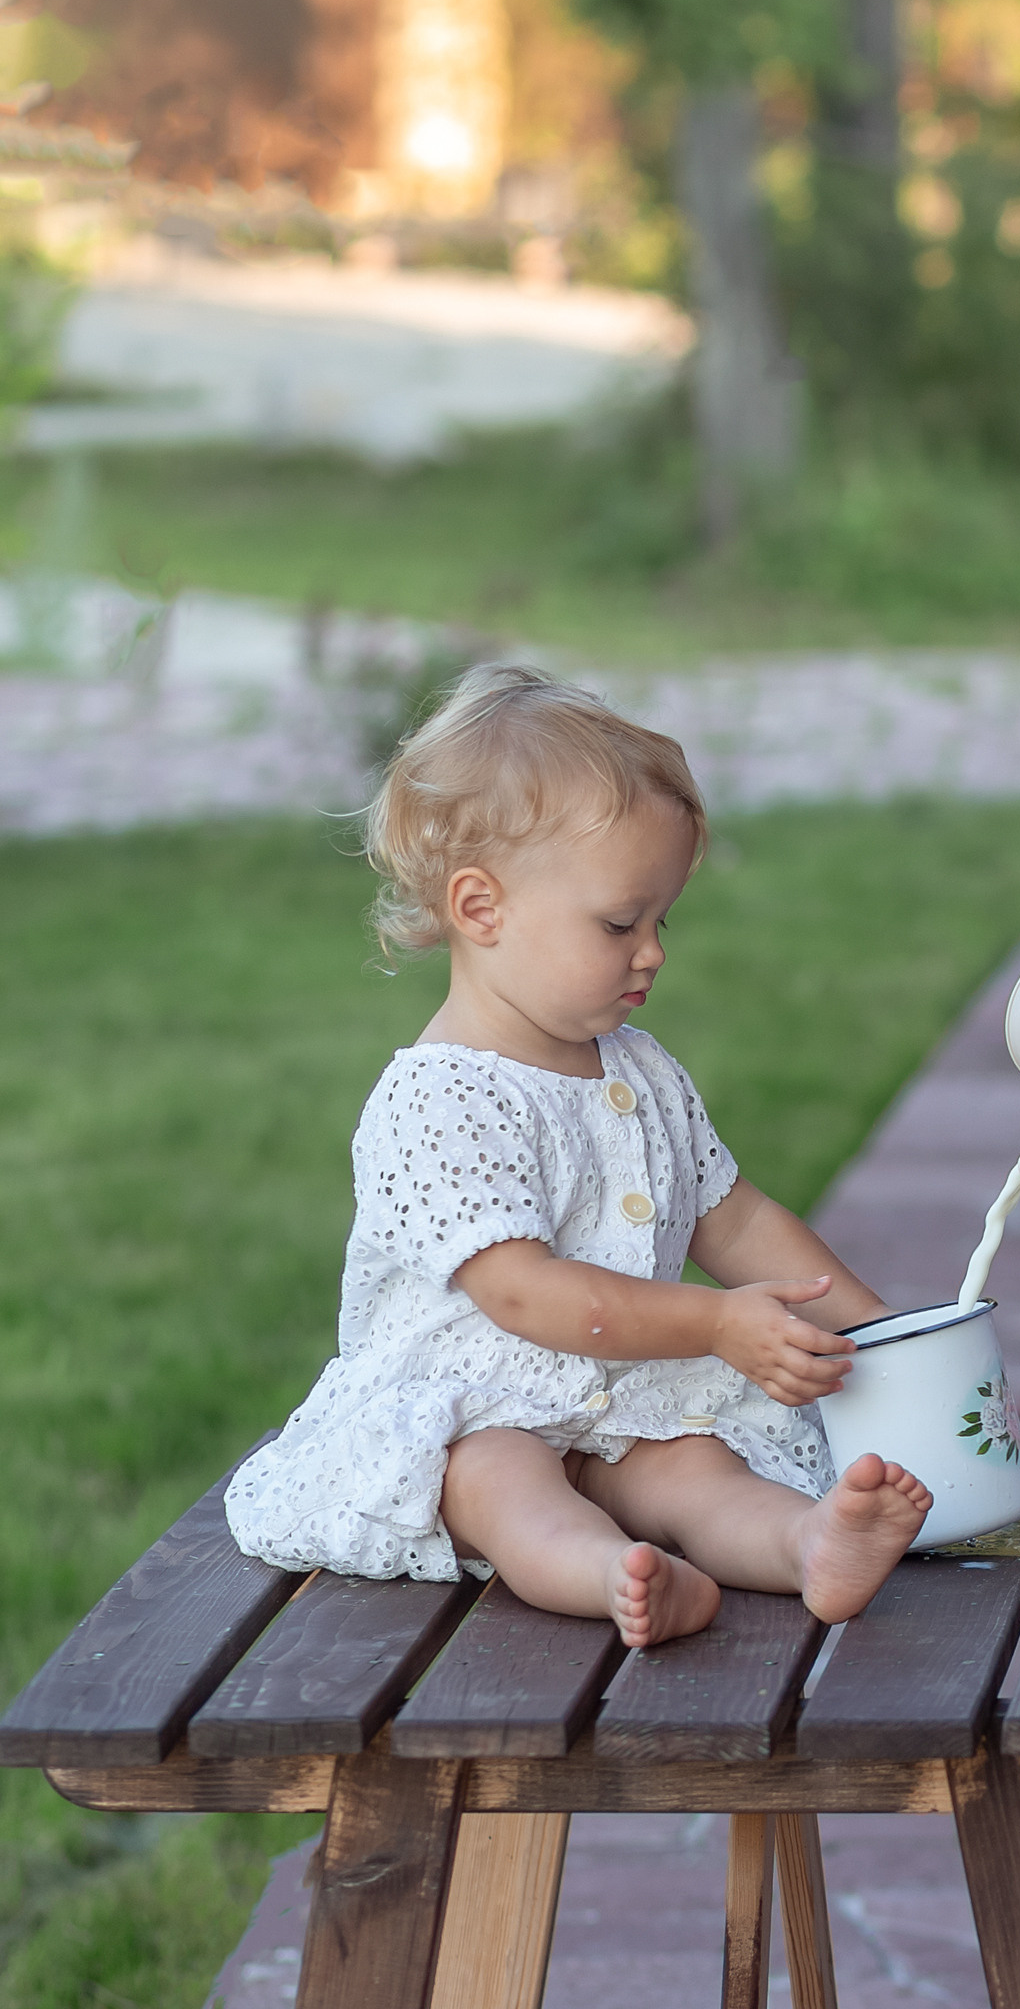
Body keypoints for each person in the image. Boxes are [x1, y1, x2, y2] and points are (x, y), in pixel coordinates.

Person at [226, 664, 929, 1648]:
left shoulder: (638, 1068)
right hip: (478, 1399)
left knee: (692, 1466)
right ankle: (612, 1572)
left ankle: (807, 1543)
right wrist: (717, 1323)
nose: (653, 952)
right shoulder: (439, 1098)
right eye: (618, 923)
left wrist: (889, 1331)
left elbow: (733, 1217)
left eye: (661, 920)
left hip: (620, 1395)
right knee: (494, 1479)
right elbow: (525, 1294)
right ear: (482, 910)